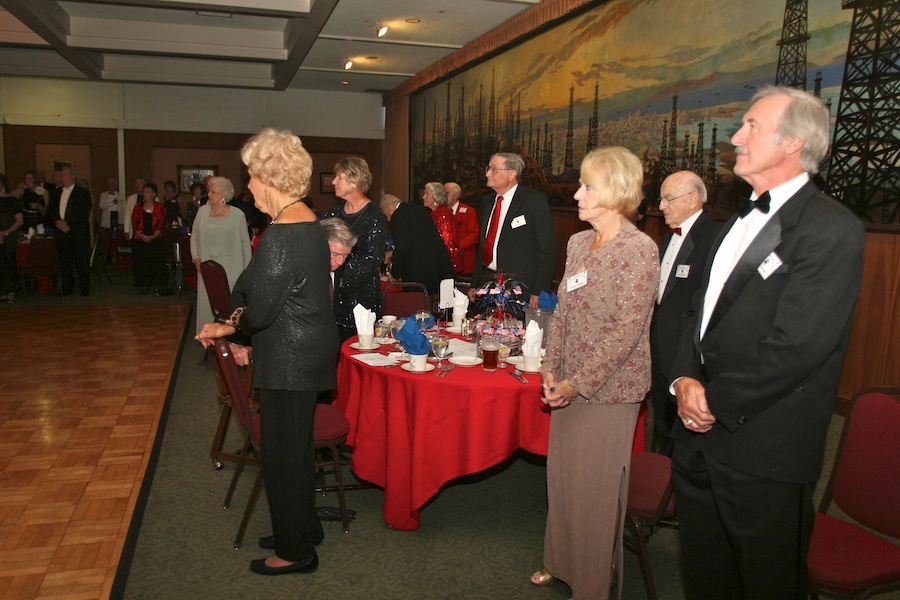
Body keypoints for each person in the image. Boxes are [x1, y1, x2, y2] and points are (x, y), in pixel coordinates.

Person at [670, 85, 866, 598]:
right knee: (706, 576)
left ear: (794, 142)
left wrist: (712, 399)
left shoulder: (830, 229)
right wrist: (684, 378)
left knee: (766, 583)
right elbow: (698, 313)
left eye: (752, 126)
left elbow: (798, 346)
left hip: (764, 447)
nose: (737, 136)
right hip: (699, 437)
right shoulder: (738, 219)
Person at [196, 127, 339, 577]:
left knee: (283, 454)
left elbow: (259, 309)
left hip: (290, 359)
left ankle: (296, 552)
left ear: (272, 178)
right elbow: (258, 287)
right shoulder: (302, 222)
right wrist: (236, 321)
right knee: (294, 451)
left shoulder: (283, 234)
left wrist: (226, 325)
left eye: (253, 176)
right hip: (303, 350)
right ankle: (302, 528)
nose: (249, 185)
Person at [536, 147, 658, 600]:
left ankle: (590, 585)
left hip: (609, 393)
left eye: (589, 186)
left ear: (618, 191)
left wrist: (576, 383)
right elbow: (562, 313)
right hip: (566, 384)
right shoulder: (577, 243)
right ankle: (559, 562)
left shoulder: (639, 250)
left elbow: (627, 332)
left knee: (594, 493)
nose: (578, 193)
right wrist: (551, 371)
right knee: (562, 480)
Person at [650, 171, 721, 456]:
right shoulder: (669, 238)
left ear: (693, 200)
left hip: (685, 351)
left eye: (668, 199)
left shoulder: (714, 238)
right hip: (660, 343)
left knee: (684, 437)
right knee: (663, 422)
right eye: (661, 198)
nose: (662, 206)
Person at [470, 152, 555, 307]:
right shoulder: (487, 202)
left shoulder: (533, 201)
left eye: (494, 169)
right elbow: (482, 245)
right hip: (487, 285)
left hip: (520, 288)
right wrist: (474, 284)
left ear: (512, 174)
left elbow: (546, 251)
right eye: (488, 169)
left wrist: (539, 291)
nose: (488, 174)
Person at [323, 157, 387, 341]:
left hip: (360, 297)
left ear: (354, 181)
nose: (333, 181)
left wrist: (339, 285)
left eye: (338, 177)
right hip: (331, 295)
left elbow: (372, 260)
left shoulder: (374, 214)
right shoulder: (334, 212)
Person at [191, 176, 252, 335]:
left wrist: (247, 271)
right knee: (207, 302)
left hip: (232, 267)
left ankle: (230, 334)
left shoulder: (237, 215)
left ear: (224, 195)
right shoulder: (202, 211)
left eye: (213, 192)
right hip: (207, 266)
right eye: (209, 191)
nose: (209, 194)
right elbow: (194, 236)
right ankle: (206, 334)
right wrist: (195, 256)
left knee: (229, 304)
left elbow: (245, 244)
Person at [379, 194, 454, 295]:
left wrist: (395, 273)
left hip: (419, 272)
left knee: (416, 305)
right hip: (438, 266)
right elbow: (418, 240)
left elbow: (403, 245)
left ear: (388, 207)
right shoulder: (417, 209)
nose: (388, 219)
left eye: (386, 214)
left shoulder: (398, 214)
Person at [45, 166, 93, 296]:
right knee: (65, 262)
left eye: (65, 175)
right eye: (61, 175)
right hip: (61, 233)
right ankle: (67, 289)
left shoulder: (83, 192)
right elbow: (50, 211)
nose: (62, 177)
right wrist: (58, 223)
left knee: (81, 262)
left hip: (77, 232)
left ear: (73, 176)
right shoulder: (56, 192)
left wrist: (67, 223)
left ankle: (84, 289)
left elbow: (83, 212)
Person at [130, 182, 168, 294]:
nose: (145, 194)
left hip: (156, 239)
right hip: (141, 238)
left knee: (156, 261)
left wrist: (153, 236)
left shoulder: (159, 207)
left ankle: (157, 284)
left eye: (147, 192)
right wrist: (142, 236)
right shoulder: (137, 207)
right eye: (144, 192)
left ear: (153, 194)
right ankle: (144, 284)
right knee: (142, 261)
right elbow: (134, 222)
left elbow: (161, 222)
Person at [422, 182, 462, 273]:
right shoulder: (436, 212)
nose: (423, 197)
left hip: (444, 265)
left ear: (435, 196)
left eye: (427, 194)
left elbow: (446, 242)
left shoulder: (442, 214)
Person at [444, 181, 479, 274]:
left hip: (464, 259)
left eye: (447, 193)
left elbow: (474, 235)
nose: (444, 196)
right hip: (445, 260)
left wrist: (456, 248)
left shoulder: (469, 211)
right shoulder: (441, 212)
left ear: (456, 195)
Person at [0, 174, 23, 303]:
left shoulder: (11, 200)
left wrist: (5, 233)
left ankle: (10, 291)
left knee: (8, 262)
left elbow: (20, 221)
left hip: (9, 236)